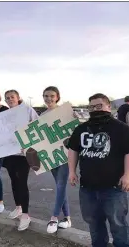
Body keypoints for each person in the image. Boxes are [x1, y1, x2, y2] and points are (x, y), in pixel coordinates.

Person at [68, 93, 129, 247]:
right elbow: (73, 149)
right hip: (88, 187)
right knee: (93, 220)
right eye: (92, 107)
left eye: (99, 106)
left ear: (109, 107)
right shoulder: (81, 128)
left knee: (117, 222)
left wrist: (128, 175)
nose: (95, 109)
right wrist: (71, 172)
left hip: (114, 187)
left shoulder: (122, 129)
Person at [2, 90, 39, 231]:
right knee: (13, 180)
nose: (10, 99)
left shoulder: (27, 111)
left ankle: (25, 214)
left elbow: (36, 126)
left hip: (24, 154)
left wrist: (29, 144)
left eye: (12, 97)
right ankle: (18, 207)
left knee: (22, 182)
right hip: (9, 152)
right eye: (7, 98)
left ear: (18, 98)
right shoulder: (5, 114)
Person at [41, 86, 72, 233]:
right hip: (51, 155)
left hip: (65, 155)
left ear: (57, 97)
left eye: (52, 96)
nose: (49, 99)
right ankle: (67, 218)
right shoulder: (42, 115)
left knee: (61, 185)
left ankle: (54, 218)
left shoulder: (65, 112)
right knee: (60, 186)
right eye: (46, 96)